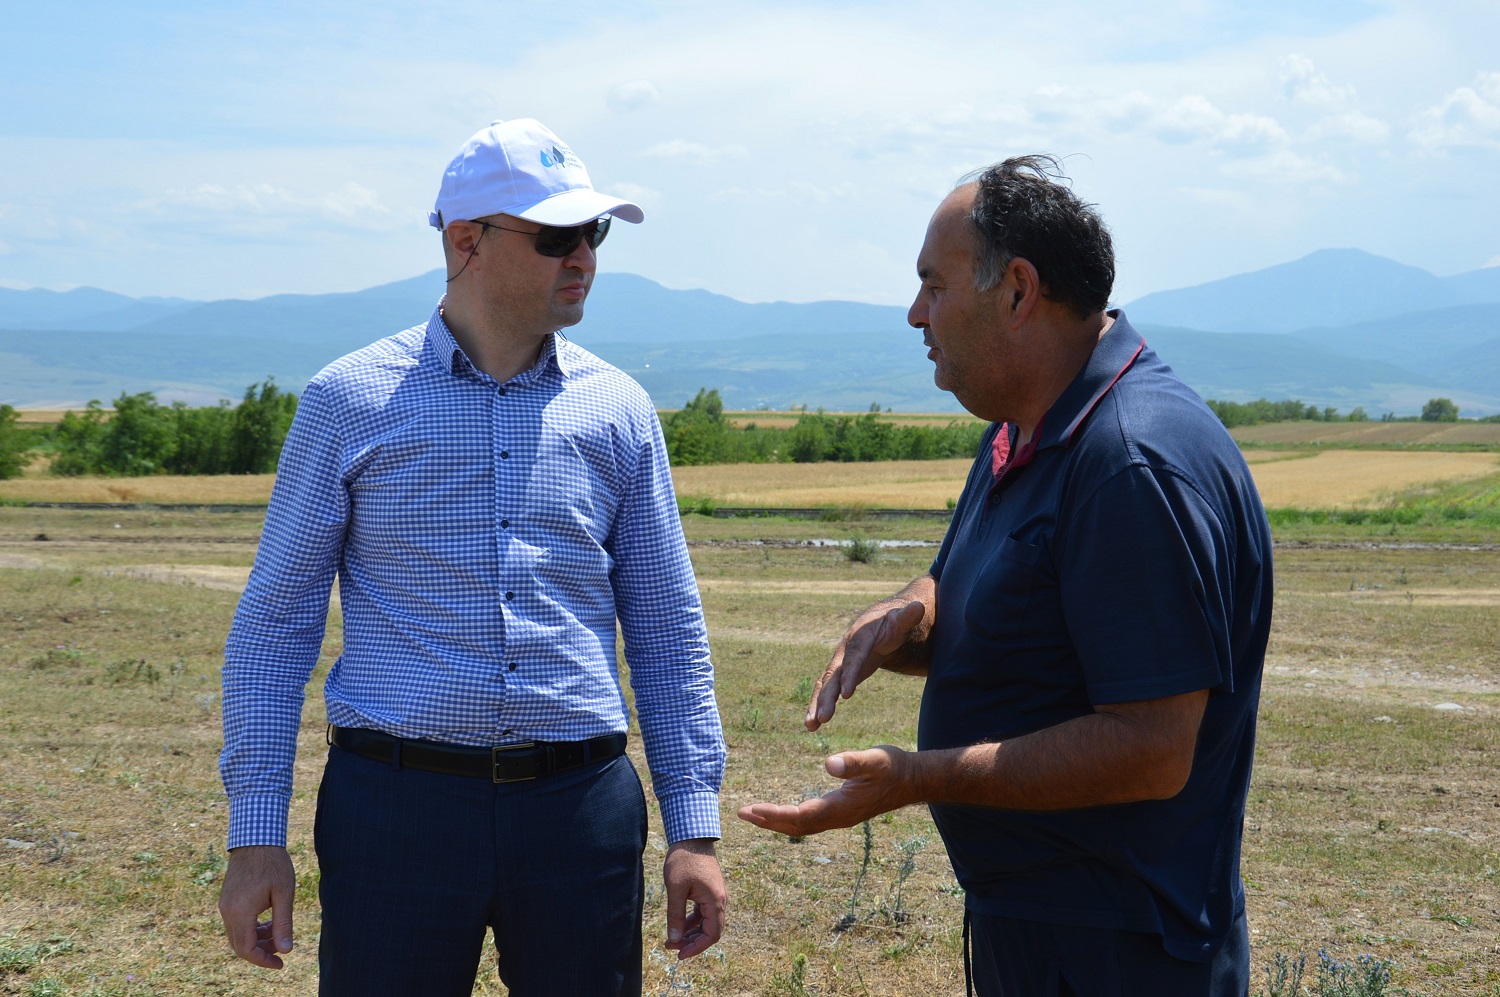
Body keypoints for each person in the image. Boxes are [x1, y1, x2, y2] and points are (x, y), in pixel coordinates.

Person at [217, 118, 728, 996]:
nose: (584, 257)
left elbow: (667, 627)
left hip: (580, 812)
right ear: (466, 240)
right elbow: (275, 625)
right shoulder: (347, 401)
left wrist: (695, 826)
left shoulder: (619, 410)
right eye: (557, 236)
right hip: (394, 810)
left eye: (593, 233)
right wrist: (255, 835)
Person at [739, 156, 1272, 996]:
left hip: (1124, 950)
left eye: (934, 285)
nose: (917, 314)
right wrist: (908, 614)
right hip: (1044, 932)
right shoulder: (1023, 429)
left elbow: (1152, 748)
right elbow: (982, 591)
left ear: (1019, 290)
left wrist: (920, 776)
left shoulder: (1128, 463)